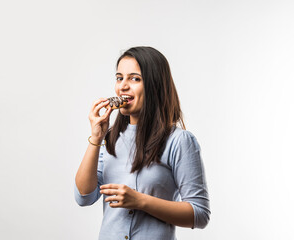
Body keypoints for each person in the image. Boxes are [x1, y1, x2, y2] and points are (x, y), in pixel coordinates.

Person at [74, 46, 210, 240]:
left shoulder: (179, 141)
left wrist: (140, 201)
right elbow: (83, 197)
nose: (123, 86)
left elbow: (200, 214)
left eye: (135, 78)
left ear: (154, 85)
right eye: (119, 78)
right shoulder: (110, 138)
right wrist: (95, 139)